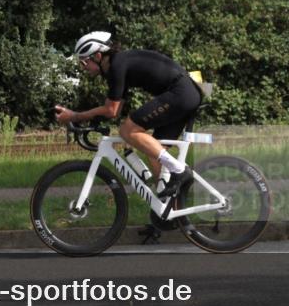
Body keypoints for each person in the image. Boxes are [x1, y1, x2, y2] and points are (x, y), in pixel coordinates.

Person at [55, 31, 201, 198]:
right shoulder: (119, 64)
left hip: (181, 93)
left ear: (97, 55)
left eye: (84, 62)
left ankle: (180, 171)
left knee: (128, 130)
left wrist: (75, 116)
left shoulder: (118, 65)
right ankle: (169, 216)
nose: (83, 67)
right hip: (184, 93)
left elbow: (110, 110)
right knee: (154, 151)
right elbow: (114, 111)